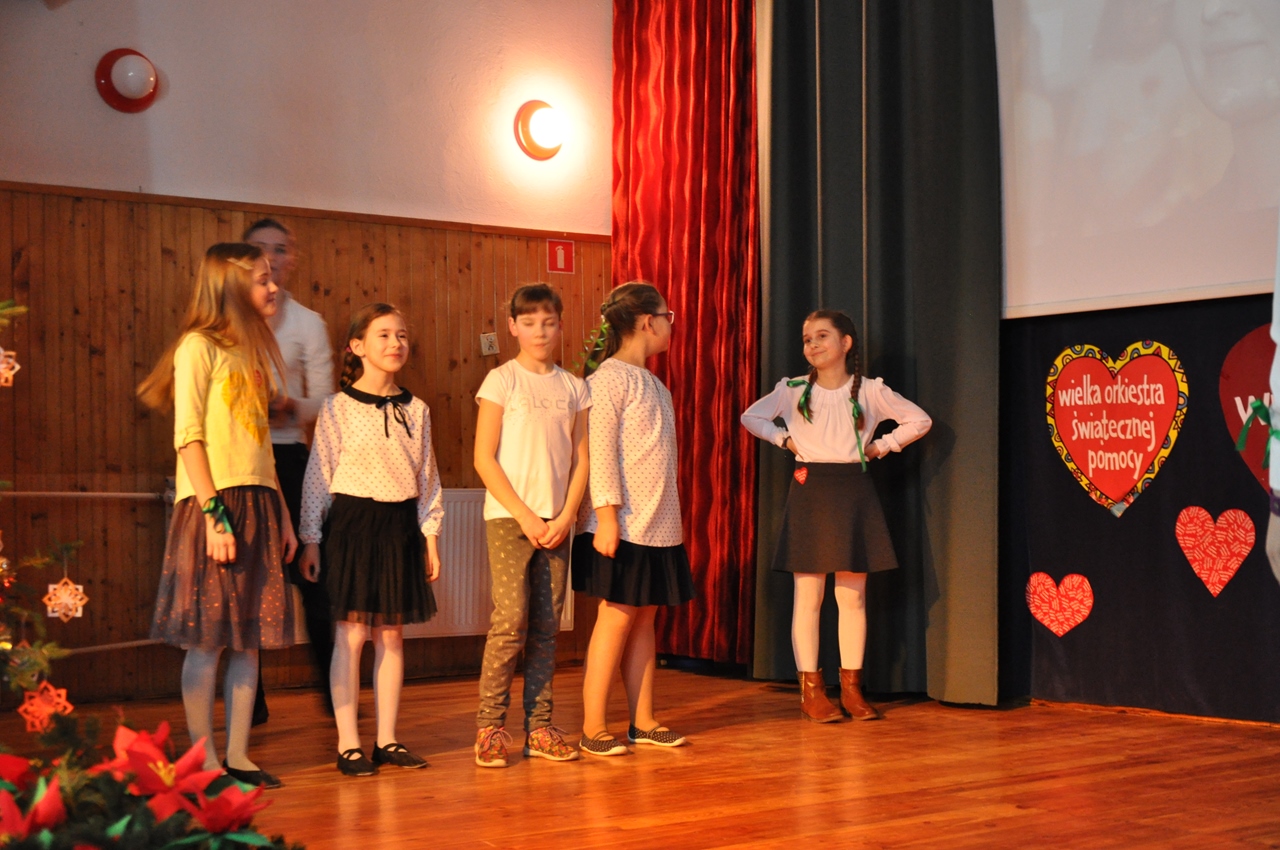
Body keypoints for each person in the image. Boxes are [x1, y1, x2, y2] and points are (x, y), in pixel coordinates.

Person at [139, 242, 298, 788]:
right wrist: (214, 515)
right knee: (207, 638)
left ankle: (239, 756)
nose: (273, 286)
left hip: (258, 502)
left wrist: (283, 514)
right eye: (262, 278)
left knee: (248, 639)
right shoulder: (197, 347)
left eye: (272, 276)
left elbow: (262, 447)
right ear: (230, 286)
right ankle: (203, 759)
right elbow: (188, 437)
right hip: (216, 504)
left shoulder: (251, 353)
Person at [740, 311, 931, 723]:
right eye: (807, 338)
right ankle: (811, 691)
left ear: (846, 343)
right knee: (808, 596)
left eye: (822, 336)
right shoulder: (792, 389)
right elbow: (751, 417)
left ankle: (851, 689)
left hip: (853, 489)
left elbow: (920, 420)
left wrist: (882, 446)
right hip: (810, 489)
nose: (812, 344)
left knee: (852, 597)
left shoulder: (871, 391)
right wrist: (783, 439)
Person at [297, 302, 444, 777]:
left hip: (399, 528)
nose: (395, 343)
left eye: (401, 335)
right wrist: (311, 538)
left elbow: (428, 479)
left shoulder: (417, 410)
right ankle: (348, 745)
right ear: (357, 346)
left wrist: (430, 536)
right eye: (383, 335)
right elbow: (318, 477)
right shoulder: (337, 408)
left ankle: (387, 740)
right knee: (352, 634)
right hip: (353, 527)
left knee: (391, 635)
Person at [572, 282, 695, 757]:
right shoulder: (607, 380)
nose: (670, 325)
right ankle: (593, 727)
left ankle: (643, 722)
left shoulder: (656, 384)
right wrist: (606, 518)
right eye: (668, 316)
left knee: (645, 619)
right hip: (623, 523)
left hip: (659, 526)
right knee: (617, 617)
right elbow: (599, 454)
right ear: (648, 322)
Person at [472, 284, 591, 768]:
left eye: (548, 322)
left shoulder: (574, 387)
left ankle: (539, 728)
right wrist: (525, 515)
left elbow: (582, 460)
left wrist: (565, 515)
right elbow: (483, 458)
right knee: (510, 621)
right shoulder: (501, 380)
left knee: (546, 627)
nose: (539, 332)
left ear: (560, 325)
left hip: (556, 523)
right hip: (509, 519)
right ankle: (489, 728)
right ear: (513, 327)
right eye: (528, 323)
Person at [243, 218, 336, 724]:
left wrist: (287, 406)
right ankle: (250, 702)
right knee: (249, 583)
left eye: (279, 250)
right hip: (241, 462)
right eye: (260, 249)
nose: (271, 259)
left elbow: (324, 400)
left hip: (292, 458)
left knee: (315, 580)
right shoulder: (232, 322)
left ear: (291, 258)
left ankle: (335, 696)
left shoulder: (307, 322)